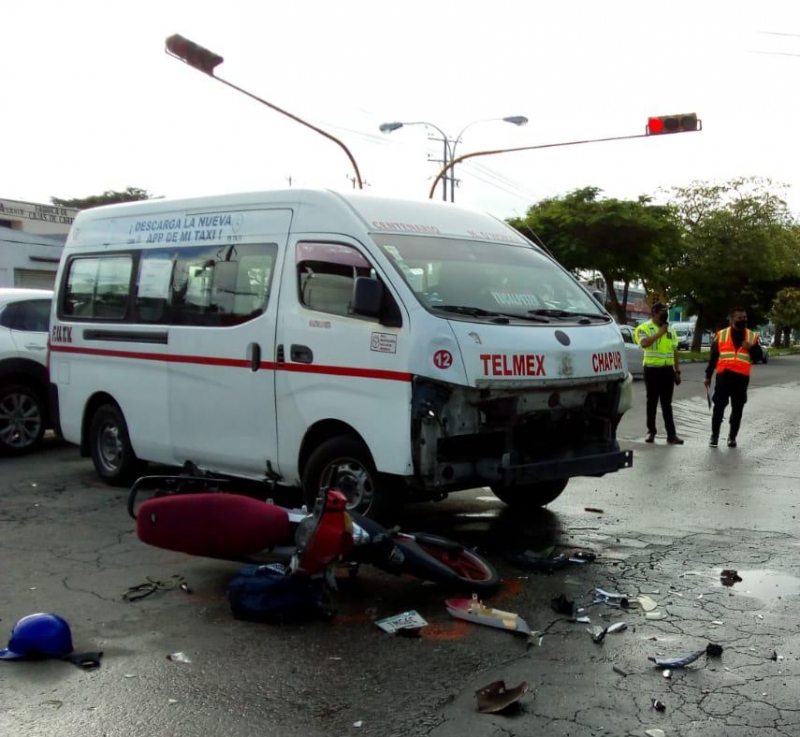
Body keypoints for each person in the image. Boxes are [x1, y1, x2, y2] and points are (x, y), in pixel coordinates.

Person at [703, 308, 761, 448]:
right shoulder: (722, 335)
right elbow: (713, 357)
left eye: (745, 317)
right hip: (724, 376)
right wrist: (708, 375)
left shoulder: (751, 336)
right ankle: (714, 436)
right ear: (732, 319)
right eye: (740, 318)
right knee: (719, 406)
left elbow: (758, 356)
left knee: (738, 407)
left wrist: (750, 348)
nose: (743, 320)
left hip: (741, 377)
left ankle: (732, 437)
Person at [634, 302, 684, 444]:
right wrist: (660, 333)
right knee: (652, 402)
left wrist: (677, 371)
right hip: (651, 370)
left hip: (667, 371)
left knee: (666, 403)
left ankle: (671, 435)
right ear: (655, 313)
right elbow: (644, 343)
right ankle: (651, 431)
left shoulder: (671, 331)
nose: (665, 314)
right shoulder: (643, 328)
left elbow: (674, 351)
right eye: (663, 311)